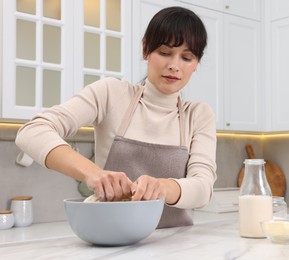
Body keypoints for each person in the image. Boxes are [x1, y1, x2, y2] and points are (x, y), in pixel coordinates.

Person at [15, 6, 217, 228]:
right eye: (164, 52)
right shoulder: (111, 93)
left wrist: (162, 187)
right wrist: (94, 174)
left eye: (186, 57)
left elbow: (203, 187)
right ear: (145, 49)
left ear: (196, 63)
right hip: (111, 240)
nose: (174, 66)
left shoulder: (198, 114)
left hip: (176, 244)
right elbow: (32, 132)